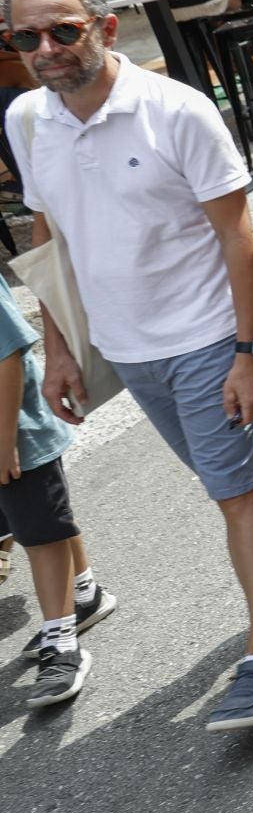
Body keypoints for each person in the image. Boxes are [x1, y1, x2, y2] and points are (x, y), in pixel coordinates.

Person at [5, 0, 253, 730]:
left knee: (230, 489)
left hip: (204, 334)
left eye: (63, 29)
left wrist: (249, 351)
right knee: (230, 457)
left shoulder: (176, 110)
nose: (48, 48)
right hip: (124, 346)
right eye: (27, 36)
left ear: (103, 27)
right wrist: (58, 348)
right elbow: (48, 236)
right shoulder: (28, 120)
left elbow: (240, 239)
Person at [0, 271, 116, 710]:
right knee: (46, 519)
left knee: (41, 536)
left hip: (15, 440)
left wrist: (5, 437)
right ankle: (85, 594)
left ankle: (63, 645)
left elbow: (8, 355)